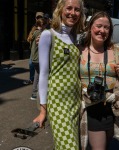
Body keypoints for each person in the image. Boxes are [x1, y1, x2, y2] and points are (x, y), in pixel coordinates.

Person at [33, 0, 85, 149]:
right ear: (61, 10)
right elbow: (43, 74)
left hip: (75, 101)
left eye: (77, 10)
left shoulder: (75, 37)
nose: (72, 13)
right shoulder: (47, 35)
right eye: (69, 8)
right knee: (69, 147)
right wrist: (43, 110)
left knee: (70, 144)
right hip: (57, 102)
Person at [80, 11, 119, 150]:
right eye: (98, 26)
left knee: (106, 142)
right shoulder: (79, 50)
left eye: (106, 27)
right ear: (90, 27)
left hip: (112, 106)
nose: (102, 30)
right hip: (89, 106)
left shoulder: (117, 51)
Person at [23, 12, 44, 85]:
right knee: (31, 64)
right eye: (37, 17)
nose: (39, 19)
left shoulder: (45, 27)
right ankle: (32, 79)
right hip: (34, 50)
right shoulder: (33, 27)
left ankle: (41, 80)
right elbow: (29, 38)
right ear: (35, 18)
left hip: (42, 51)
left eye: (40, 17)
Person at [30, 18, 48, 100]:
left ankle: (34, 93)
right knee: (42, 76)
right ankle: (41, 95)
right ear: (43, 25)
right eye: (45, 25)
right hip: (39, 58)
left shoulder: (33, 32)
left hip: (33, 58)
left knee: (37, 75)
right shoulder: (41, 33)